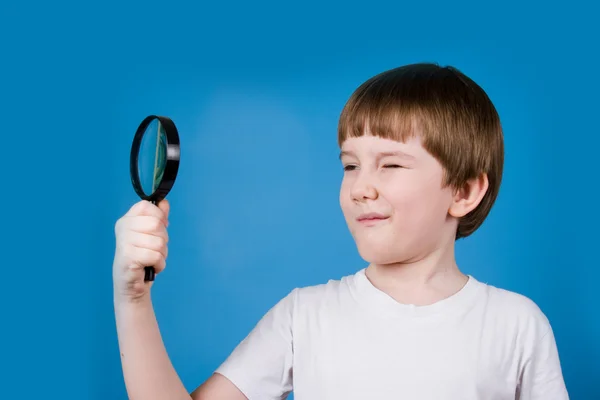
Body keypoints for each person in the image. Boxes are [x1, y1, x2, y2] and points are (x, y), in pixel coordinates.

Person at [113, 63, 569, 400]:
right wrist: (132, 299)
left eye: (390, 165)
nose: (360, 188)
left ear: (464, 191)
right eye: (350, 165)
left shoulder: (517, 326)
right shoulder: (303, 317)